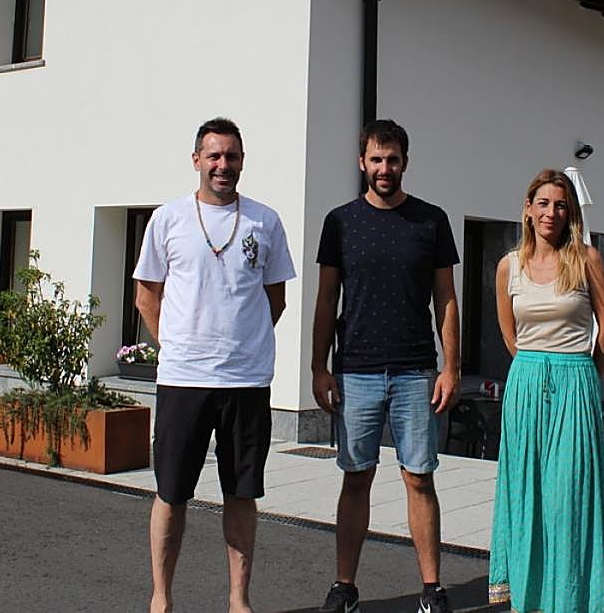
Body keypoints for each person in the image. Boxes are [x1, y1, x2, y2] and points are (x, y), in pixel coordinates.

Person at [134, 117, 296, 613]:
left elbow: (276, 299)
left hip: (246, 382)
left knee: (241, 494)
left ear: (242, 160)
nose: (223, 165)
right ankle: (161, 598)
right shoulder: (168, 219)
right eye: (214, 156)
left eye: (232, 156)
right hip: (184, 381)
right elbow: (146, 296)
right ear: (197, 160)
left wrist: (240, 344)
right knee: (172, 492)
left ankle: (238, 601)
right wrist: (178, 346)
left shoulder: (265, 221)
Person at [311, 119, 461, 613]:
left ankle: (432, 589)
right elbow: (326, 298)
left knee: (419, 477)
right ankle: (344, 587)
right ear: (362, 162)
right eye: (376, 159)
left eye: (392, 160)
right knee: (356, 475)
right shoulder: (340, 222)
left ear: (405, 163)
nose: (384, 168)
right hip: (355, 371)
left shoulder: (431, 221)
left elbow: (447, 300)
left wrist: (451, 367)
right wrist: (319, 367)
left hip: (416, 371)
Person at [488, 168, 604, 613]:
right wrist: (535, 370)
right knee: (526, 496)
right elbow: (510, 338)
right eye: (543, 203)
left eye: (560, 205)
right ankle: (527, 601)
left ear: (571, 213)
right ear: (527, 210)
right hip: (525, 384)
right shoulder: (509, 265)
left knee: (569, 500)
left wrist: (583, 377)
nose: (551, 212)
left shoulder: (587, 259)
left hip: (575, 382)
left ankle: (571, 602)